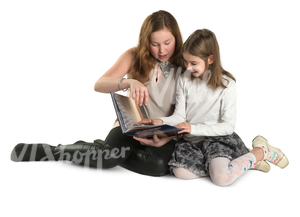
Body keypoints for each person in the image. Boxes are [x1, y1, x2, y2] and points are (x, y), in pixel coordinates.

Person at [10, 10, 185, 176]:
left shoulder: (186, 64)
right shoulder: (134, 55)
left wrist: (165, 139)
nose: (162, 50)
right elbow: (99, 84)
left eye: (167, 43)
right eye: (155, 44)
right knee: (109, 159)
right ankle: (56, 151)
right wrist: (128, 81)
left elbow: (189, 112)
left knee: (159, 166)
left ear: (176, 38)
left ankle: (103, 150)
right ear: (146, 42)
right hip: (132, 127)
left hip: (163, 134)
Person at [138, 29, 289, 186]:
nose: (188, 67)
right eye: (185, 62)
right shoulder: (184, 80)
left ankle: (260, 151)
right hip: (192, 141)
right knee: (180, 172)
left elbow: (228, 126)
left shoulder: (227, 85)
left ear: (210, 59)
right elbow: (179, 117)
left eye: (193, 63)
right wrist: (159, 121)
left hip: (217, 140)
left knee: (221, 179)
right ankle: (241, 163)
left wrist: (193, 128)